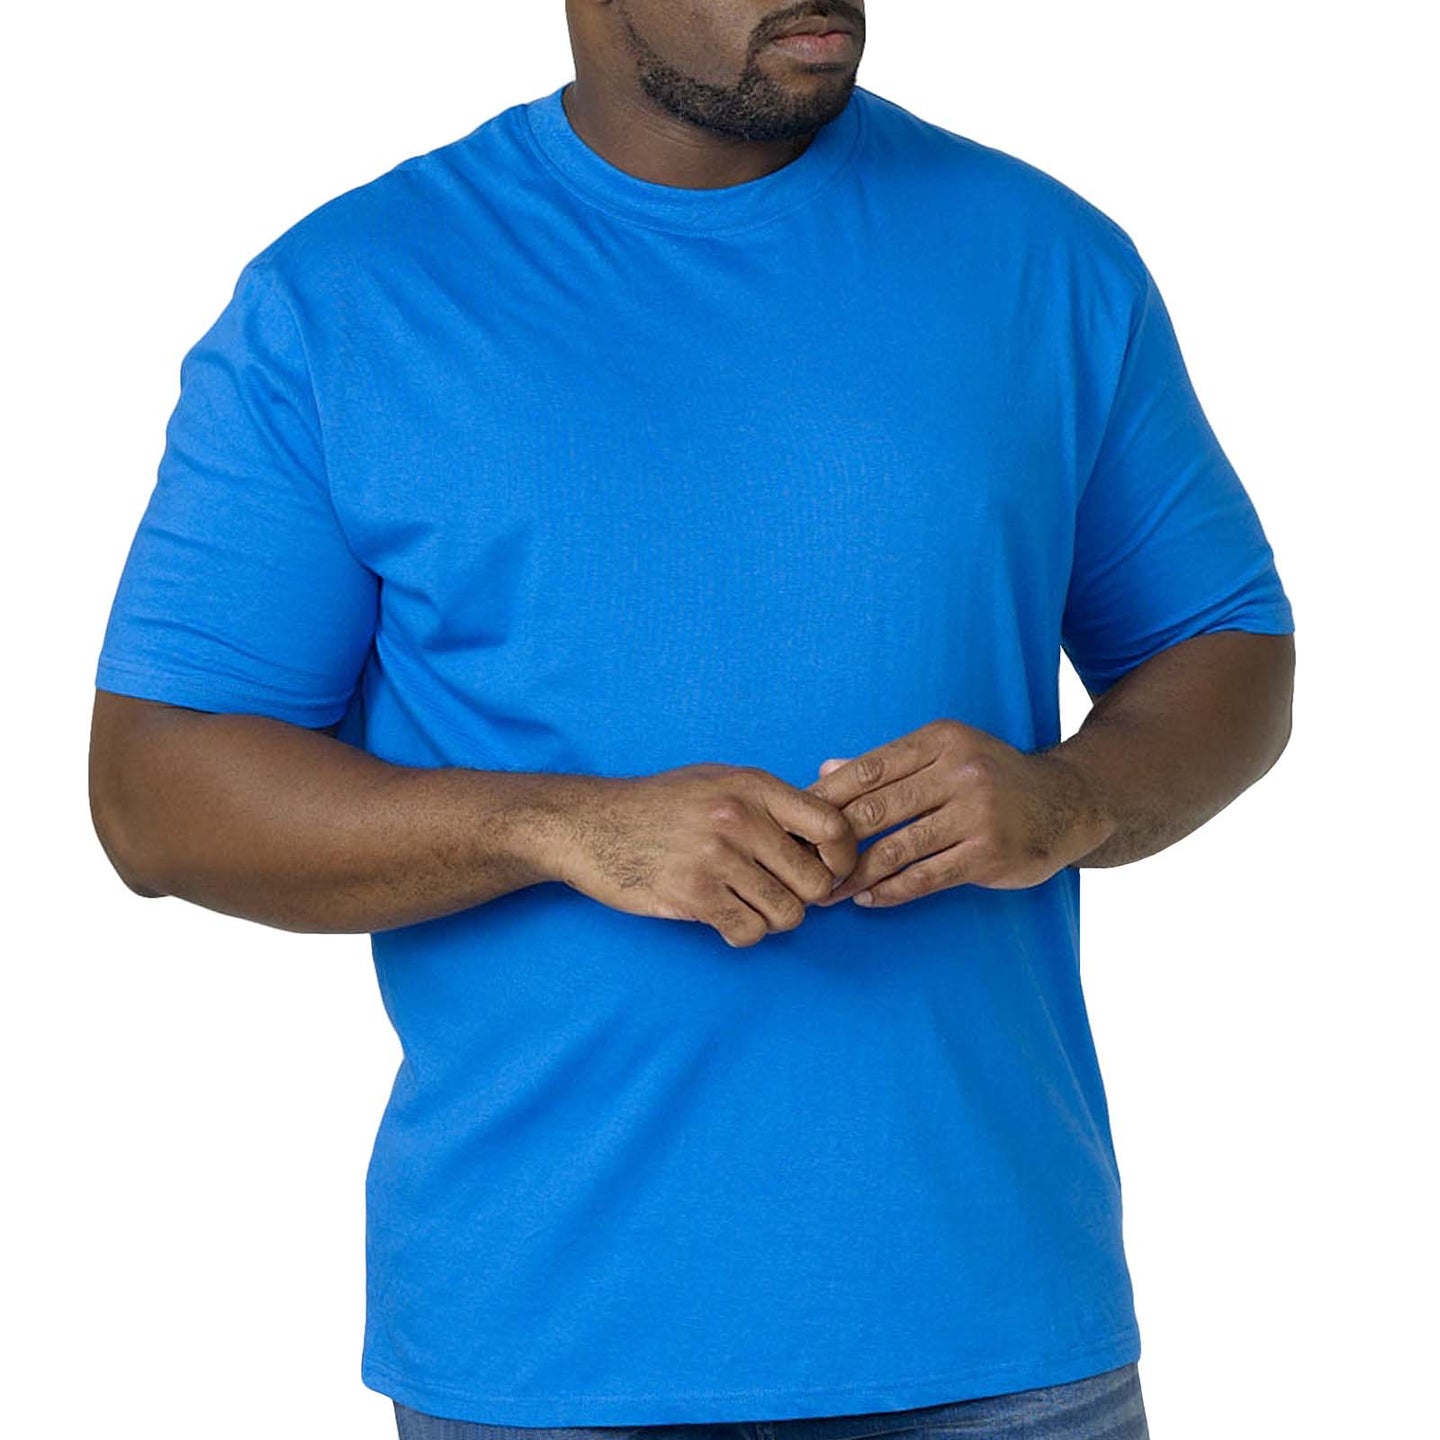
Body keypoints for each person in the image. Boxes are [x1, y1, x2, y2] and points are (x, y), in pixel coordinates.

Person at [89, 2, 1296, 1438]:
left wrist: (1071, 799)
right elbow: (153, 794)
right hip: (549, 1354)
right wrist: (559, 827)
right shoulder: (348, 300)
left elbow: (1225, 647)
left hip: (1000, 1337)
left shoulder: (1045, 259)